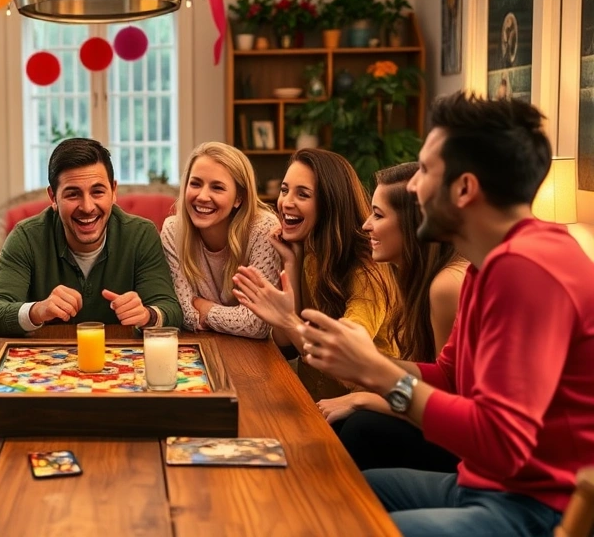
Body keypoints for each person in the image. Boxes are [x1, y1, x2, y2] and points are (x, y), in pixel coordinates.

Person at [297, 93, 594, 536]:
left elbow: (501, 441)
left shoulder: (529, 269)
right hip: (479, 486)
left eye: (426, 172)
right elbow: (451, 377)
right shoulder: (485, 265)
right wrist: (359, 360)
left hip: (536, 508)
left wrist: (378, 374)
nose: (414, 188)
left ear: (464, 188)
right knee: (330, 492)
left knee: (350, 524)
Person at [319, 162, 466, 473]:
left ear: (414, 225)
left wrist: (364, 399)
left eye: (379, 215)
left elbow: (446, 397)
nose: (366, 225)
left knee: (361, 427)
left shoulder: (447, 285)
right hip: (442, 418)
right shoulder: (413, 277)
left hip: (464, 446)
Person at [231, 148, 398, 400]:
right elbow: (285, 344)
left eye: (303, 194)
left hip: (366, 409)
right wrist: (291, 262)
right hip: (315, 400)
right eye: (285, 190)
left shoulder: (367, 269)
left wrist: (287, 319)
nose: (286, 202)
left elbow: (345, 362)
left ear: (330, 203)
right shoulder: (310, 254)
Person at [0, 137, 182, 336]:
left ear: (113, 191)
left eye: (98, 192)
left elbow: (171, 309)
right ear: (53, 198)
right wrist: (37, 311)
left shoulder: (141, 235)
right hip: (45, 363)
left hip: (123, 360)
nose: (87, 207)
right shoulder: (27, 237)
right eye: (73, 194)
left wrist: (148, 315)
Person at [160, 141, 281, 338]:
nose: (202, 196)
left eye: (217, 188)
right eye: (195, 183)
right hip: (201, 346)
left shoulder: (263, 229)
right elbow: (181, 311)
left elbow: (258, 323)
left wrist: (204, 308)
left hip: (257, 355)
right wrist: (229, 317)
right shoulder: (174, 230)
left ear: (238, 198)